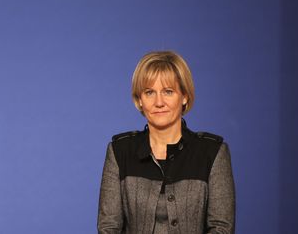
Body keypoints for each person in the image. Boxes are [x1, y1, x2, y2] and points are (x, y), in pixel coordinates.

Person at [98, 51, 235, 234]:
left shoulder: (212, 152)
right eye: (149, 92)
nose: (159, 102)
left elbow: (222, 228)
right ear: (140, 100)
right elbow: (108, 228)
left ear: (184, 96)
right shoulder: (119, 151)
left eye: (168, 91)